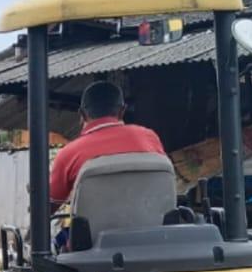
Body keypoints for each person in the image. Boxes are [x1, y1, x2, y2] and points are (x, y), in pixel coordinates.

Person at [47, 81, 165, 250]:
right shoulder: (150, 139)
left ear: (82, 114)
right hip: (152, 243)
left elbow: (47, 207)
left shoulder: (69, 153)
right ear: (122, 110)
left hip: (89, 252)